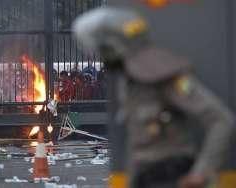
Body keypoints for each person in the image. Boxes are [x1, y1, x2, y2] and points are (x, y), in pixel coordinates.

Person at [73, 7, 235, 188]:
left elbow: (221, 120)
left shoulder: (164, 76)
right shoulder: (129, 81)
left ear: (113, 45)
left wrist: (201, 173)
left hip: (172, 174)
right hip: (146, 179)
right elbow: (137, 148)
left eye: (102, 49)